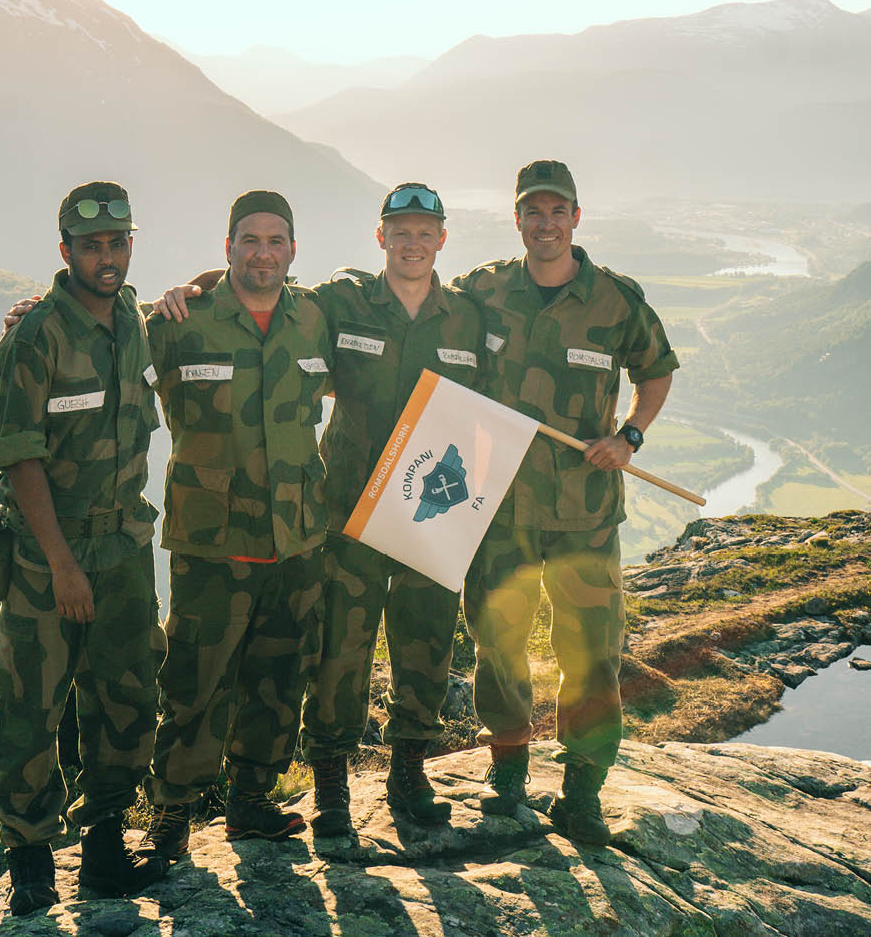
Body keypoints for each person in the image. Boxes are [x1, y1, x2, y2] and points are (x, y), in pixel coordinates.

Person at [156, 183, 486, 836]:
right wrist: (192, 287)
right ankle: (329, 786)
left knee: (423, 646)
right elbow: (256, 289)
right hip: (344, 506)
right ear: (380, 237)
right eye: (400, 230)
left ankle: (407, 774)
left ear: (443, 237)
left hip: (432, 504)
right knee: (339, 652)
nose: (413, 242)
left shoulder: (469, 317)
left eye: (425, 231)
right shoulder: (340, 303)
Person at [451, 160, 679, 844]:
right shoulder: (482, 289)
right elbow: (408, 304)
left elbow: (657, 369)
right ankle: (508, 775)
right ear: (516, 218)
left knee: (590, 654)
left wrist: (629, 434)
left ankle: (582, 790)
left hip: (583, 511)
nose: (544, 223)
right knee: (497, 646)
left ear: (575, 218)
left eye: (557, 211)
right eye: (532, 211)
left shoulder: (615, 299)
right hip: (499, 508)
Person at [0, 182, 168, 915]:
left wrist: (201, 282)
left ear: (130, 244)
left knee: (125, 692)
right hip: (45, 557)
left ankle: (104, 845)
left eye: (117, 242)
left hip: (124, 547)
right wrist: (61, 563)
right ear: (66, 253)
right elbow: (20, 458)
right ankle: (28, 851)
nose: (106, 256)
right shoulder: (34, 338)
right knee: (32, 700)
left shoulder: (134, 320)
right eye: (90, 246)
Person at [138, 191, 333, 859]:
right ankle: (170, 815)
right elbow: (100, 338)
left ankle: (250, 801)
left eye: (275, 240)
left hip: (294, 536)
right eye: (248, 239)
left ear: (291, 251)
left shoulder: (312, 319)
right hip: (211, 541)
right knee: (195, 679)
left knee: (280, 675)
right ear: (226, 248)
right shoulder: (179, 319)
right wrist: (28, 319)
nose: (261, 252)